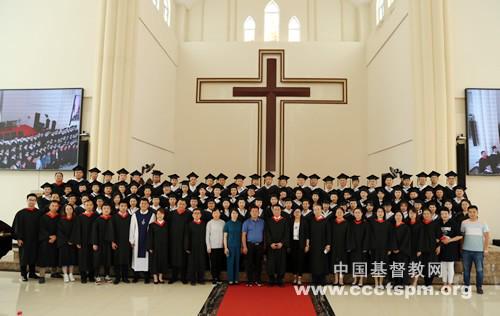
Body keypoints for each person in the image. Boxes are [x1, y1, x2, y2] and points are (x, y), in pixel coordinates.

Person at [12, 193, 42, 281]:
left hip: (35, 239)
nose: (32, 202)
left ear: (36, 201)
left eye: (33, 200)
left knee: (33, 256)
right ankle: (23, 274)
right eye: (30, 200)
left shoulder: (39, 213)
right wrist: (18, 238)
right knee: (24, 257)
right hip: (24, 239)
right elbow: (16, 226)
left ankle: (32, 273)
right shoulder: (20, 213)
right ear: (27, 200)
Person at [461, 205, 490, 294]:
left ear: (477, 213)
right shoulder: (464, 223)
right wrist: (461, 248)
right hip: (466, 251)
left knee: (479, 270)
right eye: (470, 212)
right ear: (468, 213)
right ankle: (466, 286)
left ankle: (479, 287)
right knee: (466, 270)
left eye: (474, 212)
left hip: (479, 251)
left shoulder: (482, 223)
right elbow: (462, 236)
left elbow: (487, 236)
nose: (472, 214)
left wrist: (485, 249)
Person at [129, 198, 155, 283]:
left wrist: (151, 242)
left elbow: (152, 230)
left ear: (148, 205)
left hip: (147, 240)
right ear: (139, 205)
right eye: (142, 203)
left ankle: (146, 277)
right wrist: (131, 240)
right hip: (137, 241)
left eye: (145, 203)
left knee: (146, 259)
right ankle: (136, 276)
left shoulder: (152, 215)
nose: (143, 205)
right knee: (136, 258)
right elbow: (132, 229)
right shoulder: (135, 215)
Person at [72, 199, 98, 283]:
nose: (89, 206)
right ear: (84, 206)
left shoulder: (96, 216)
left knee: (92, 259)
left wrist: (96, 241)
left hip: (93, 241)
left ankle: (91, 276)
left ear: (93, 206)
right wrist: (78, 242)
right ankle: (83, 276)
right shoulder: (80, 217)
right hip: (83, 241)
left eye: (90, 205)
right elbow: (77, 230)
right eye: (87, 205)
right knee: (82, 259)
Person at [369, 207, 395, 288]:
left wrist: (390, 248)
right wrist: (370, 247)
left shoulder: (388, 224)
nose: (380, 213)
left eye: (381, 212)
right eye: (378, 211)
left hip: (384, 248)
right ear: (376, 213)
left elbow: (390, 237)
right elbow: (370, 236)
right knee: (375, 264)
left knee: (383, 265)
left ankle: (381, 282)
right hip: (374, 248)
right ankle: (376, 283)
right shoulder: (372, 223)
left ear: (384, 213)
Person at [438, 207, 462, 291]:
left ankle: (450, 284)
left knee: (450, 266)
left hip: (451, 248)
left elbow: (459, 236)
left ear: (449, 214)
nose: (444, 215)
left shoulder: (454, 223)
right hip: (442, 248)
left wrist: (449, 240)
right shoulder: (438, 223)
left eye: (445, 214)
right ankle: (444, 283)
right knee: (443, 266)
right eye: (442, 214)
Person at [417, 209, 442, 287]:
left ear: (431, 215)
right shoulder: (420, 224)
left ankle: (429, 284)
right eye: (424, 214)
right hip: (423, 249)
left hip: (432, 249)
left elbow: (439, 236)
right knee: (424, 266)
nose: (426, 215)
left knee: (431, 266)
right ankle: (425, 283)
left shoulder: (435, 224)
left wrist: (439, 246)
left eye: (428, 213)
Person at [265, 205, 289, 286]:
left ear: (280, 211)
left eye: (278, 209)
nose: (276, 211)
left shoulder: (284, 221)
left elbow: (286, 233)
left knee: (281, 263)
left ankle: (280, 279)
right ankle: (271, 279)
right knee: (271, 262)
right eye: (275, 209)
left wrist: (282, 243)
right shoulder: (269, 221)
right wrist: (270, 243)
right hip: (271, 246)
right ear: (272, 211)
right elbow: (267, 233)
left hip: (281, 246)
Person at [168, 199, 191, 284]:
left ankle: (183, 277)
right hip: (173, 240)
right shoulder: (172, 214)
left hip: (183, 240)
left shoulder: (189, 214)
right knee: (174, 258)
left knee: (183, 259)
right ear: (177, 204)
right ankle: (173, 277)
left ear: (185, 205)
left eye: (183, 204)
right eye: (180, 204)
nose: (181, 205)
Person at [242, 205, 265, 286]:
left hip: (260, 245)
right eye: (253, 211)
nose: (255, 213)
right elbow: (244, 235)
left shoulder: (262, 222)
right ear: (250, 212)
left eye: (256, 211)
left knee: (259, 263)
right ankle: (250, 280)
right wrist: (244, 246)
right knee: (249, 263)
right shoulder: (246, 222)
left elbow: (264, 234)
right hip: (249, 245)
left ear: (259, 212)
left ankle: (258, 280)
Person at [37, 200, 60, 283]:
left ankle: (54, 272)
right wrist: (49, 237)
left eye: (56, 206)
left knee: (55, 256)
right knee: (43, 257)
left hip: (56, 239)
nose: (54, 207)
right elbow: (41, 229)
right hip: (45, 240)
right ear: (49, 207)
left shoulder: (59, 217)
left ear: (58, 207)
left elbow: (61, 228)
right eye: (53, 205)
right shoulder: (44, 217)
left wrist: (56, 236)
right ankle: (42, 276)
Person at [308, 204, 331, 285]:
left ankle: (322, 280)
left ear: (321, 210)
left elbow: (328, 233)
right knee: (314, 262)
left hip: (323, 245)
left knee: (322, 262)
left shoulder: (325, 221)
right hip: (314, 245)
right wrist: (308, 244)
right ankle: (314, 280)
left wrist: (328, 244)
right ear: (313, 211)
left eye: (318, 209)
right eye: (315, 209)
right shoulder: (311, 221)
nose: (316, 211)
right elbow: (308, 234)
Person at [110, 200, 131, 284]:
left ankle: (125, 277)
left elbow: (133, 230)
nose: (123, 207)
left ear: (127, 207)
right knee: (117, 260)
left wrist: (131, 241)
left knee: (126, 260)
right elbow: (111, 230)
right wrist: (112, 241)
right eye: (121, 206)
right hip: (117, 242)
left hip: (126, 242)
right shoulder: (114, 217)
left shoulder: (130, 217)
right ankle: (117, 277)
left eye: (125, 206)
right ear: (119, 206)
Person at [92, 204, 113, 284]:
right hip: (99, 243)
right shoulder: (97, 220)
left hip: (108, 243)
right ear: (102, 210)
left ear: (110, 210)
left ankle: (107, 275)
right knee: (97, 260)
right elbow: (94, 232)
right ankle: (97, 276)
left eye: (108, 208)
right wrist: (94, 243)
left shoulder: (112, 219)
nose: (106, 210)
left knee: (108, 259)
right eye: (104, 208)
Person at [347, 208, 369, 286]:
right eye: (356, 213)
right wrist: (350, 246)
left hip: (362, 247)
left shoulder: (365, 223)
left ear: (362, 214)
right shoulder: (351, 223)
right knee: (354, 263)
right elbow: (349, 235)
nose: (357, 214)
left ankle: (361, 280)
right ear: (354, 214)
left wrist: (365, 247)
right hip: (354, 247)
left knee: (362, 263)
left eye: (359, 212)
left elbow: (367, 236)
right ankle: (355, 279)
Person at [185, 209, 207, 285]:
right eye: (195, 213)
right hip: (192, 247)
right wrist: (187, 247)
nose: (197, 215)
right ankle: (193, 279)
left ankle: (201, 279)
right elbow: (187, 237)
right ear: (192, 215)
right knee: (192, 264)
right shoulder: (189, 224)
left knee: (201, 263)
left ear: (201, 215)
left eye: (198, 213)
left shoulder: (204, 224)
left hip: (201, 246)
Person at [148, 208, 169, 284]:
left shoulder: (167, 224)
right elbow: (150, 237)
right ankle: (155, 278)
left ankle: (160, 277)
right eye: (158, 214)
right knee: (154, 262)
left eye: (161, 214)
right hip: (155, 247)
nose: (159, 215)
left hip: (164, 247)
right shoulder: (152, 225)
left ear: (164, 215)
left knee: (162, 262)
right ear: (156, 215)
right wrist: (150, 247)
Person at [57, 204, 77, 283]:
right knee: (64, 259)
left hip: (73, 242)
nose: (69, 210)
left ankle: (71, 274)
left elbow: (76, 231)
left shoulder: (76, 219)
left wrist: (72, 240)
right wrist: (66, 240)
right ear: (64, 210)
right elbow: (60, 232)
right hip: (63, 242)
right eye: (67, 209)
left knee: (72, 259)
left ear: (72, 210)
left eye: (70, 208)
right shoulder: (61, 220)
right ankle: (65, 274)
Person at [390, 211, 411, 286]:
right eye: (397, 215)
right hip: (394, 251)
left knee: (403, 267)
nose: (398, 217)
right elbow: (391, 239)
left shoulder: (406, 227)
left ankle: (403, 283)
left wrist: (399, 249)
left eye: (400, 215)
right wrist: (393, 248)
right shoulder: (392, 227)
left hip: (403, 251)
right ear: (394, 217)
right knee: (395, 267)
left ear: (402, 217)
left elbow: (406, 240)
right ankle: (396, 282)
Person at [205, 209, 225, 284]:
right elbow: (207, 236)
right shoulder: (209, 223)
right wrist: (208, 246)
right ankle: (214, 278)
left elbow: (224, 234)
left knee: (219, 263)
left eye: (217, 213)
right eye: (214, 213)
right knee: (213, 263)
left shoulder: (223, 222)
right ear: (212, 214)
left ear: (219, 214)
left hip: (221, 246)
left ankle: (218, 277)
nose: (216, 214)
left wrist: (224, 245)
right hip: (212, 247)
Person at [289, 208, 309, 285]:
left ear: (301, 213)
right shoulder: (291, 221)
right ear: (294, 213)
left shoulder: (304, 222)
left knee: (301, 261)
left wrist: (307, 245)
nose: (297, 213)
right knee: (294, 260)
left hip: (301, 243)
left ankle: (300, 278)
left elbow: (307, 234)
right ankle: (294, 277)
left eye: (298, 212)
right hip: (293, 243)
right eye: (296, 212)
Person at [330, 207, 349, 286]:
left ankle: (341, 279)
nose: (339, 213)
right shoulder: (332, 223)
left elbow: (348, 235)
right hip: (334, 245)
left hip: (343, 246)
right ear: (335, 214)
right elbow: (330, 234)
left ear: (344, 213)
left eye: (341, 212)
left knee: (342, 262)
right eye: (337, 212)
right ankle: (336, 279)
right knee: (335, 262)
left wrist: (348, 246)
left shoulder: (346, 223)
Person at [224, 209, 242, 285]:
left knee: (237, 262)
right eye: (233, 213)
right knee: (230, 263)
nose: (234, 214)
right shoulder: (227, 224)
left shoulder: (240, 223)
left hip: (238, 246)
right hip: (230, 246)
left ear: (238, 215)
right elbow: (225, 237)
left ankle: (236, 279)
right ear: (231, 214)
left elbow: (242, 236)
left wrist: (242, 246)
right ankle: (230, 279)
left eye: (236, 213)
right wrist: (225, 247)